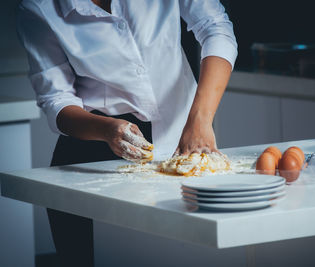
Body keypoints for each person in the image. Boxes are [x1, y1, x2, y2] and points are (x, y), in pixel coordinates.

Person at [17, 0, 237, 266]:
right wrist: (107, 128)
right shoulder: (40, 7)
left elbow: (216, 27)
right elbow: (56, 98)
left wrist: (201, 119)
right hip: (92, 148)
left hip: (186, 139)